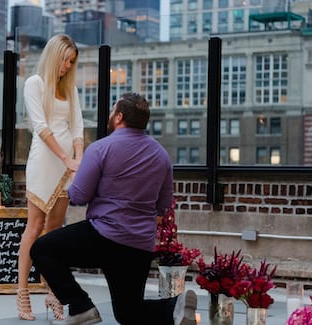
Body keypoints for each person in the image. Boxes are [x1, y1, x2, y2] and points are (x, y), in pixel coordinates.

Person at [30, 93, 198, 325]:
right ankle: (173, 308)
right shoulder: (161, 155)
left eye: (112, 110)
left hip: (103, 237)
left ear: (119, 117)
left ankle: (80, 307)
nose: (110, 114)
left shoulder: (101, 148)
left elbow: (79, 196)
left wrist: (76, 174)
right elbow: (163, 206)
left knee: (42, 249)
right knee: (128, 313)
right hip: (139, 245)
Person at [17, 34, 84, 321]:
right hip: (45, 162)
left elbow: (78, 126)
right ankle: (22, 294)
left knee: (55, 232)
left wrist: (78, 159)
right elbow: (41, 128)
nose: (67, 66)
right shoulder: (34, 83)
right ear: (54, 55)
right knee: (35, 226)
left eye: (72, 62)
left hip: (68, 168)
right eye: (65, 60)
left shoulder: (69, 89)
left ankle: (53, 294)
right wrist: (66, 157)